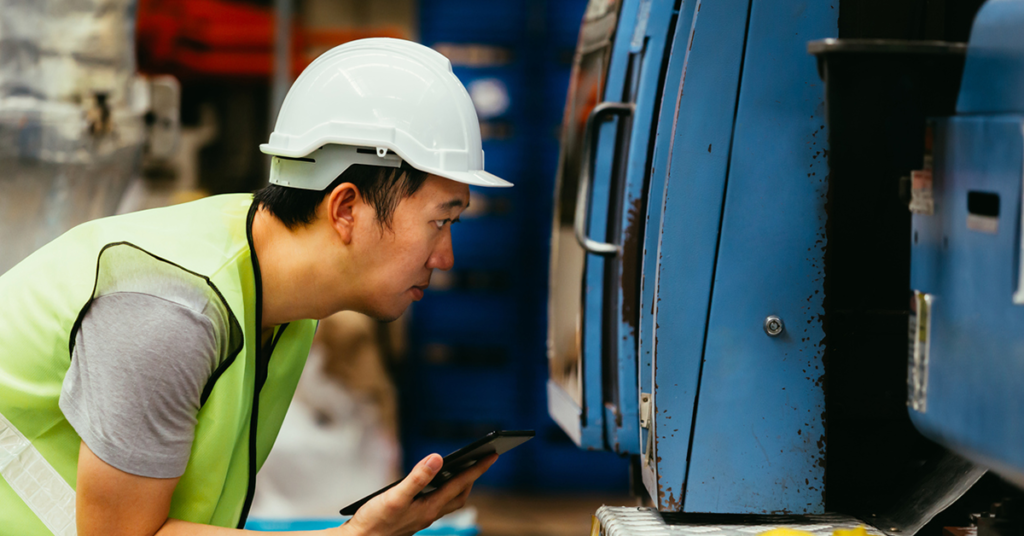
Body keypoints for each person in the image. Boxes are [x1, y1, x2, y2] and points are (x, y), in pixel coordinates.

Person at [0, 38, 512, 536]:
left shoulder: (281, 302)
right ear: (346, 209)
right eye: (440, 222)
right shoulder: (172, 308)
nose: (445, 258)